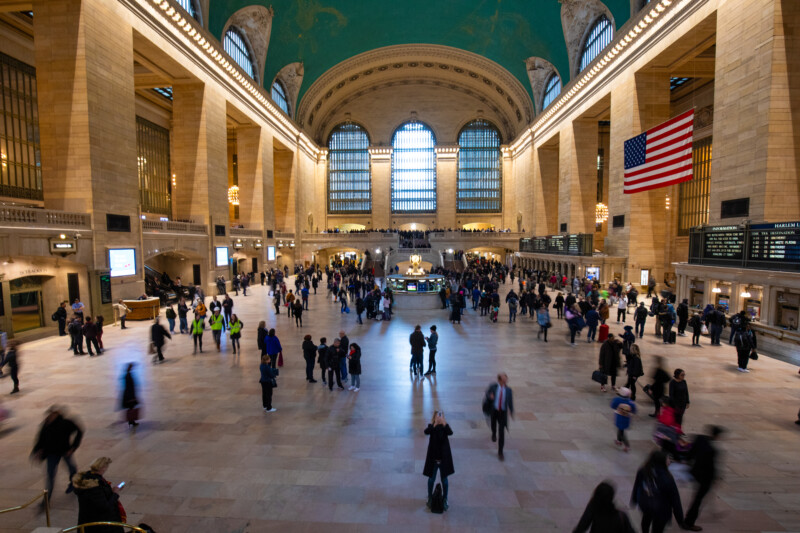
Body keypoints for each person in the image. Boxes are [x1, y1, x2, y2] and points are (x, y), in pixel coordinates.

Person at [31, 406, 83, 502]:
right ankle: (46, 500)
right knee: (50, 476)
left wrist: (73, 447)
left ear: (57, 414)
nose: (50, 416)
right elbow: (41, 438)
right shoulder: (46, 423)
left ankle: (74, 484)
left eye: (52, 414)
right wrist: (36, 451)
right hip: (51, 454)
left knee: (72, 469)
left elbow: (79, 431)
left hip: (64, 451)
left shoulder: (65, 423)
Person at [630, 450, 686, 533]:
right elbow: (675, 500)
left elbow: (637, 485)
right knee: (657, 528)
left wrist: (634, 499)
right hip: (661, 510)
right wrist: (680, 520)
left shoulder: (643, 470)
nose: (669, 461)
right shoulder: (667, 478)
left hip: (646, 503)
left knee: (646, 519)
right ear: (662, 462)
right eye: (667, 459)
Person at [683, 426, 724, 531]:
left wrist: (687, 462)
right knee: (698, 500)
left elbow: (690, 454)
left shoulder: (700, 438)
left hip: (695, 473)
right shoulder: (712, 450)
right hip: (705, 478)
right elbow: (711, 467)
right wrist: (715, 479)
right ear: (717, 436)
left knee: (697, 498)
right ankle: (689, 522)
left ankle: (689, 519)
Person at [72, 457, 125, 533]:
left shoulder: (87, 478)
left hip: (88, 523)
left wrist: (111, 491)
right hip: (100, 526)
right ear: (102, 468)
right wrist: (115, 494)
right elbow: (105, 507)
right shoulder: (94, 487)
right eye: (106, 467)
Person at [423, 410, 454, 511]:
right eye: (438, 416)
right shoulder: (432, 427)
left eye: (441, 416)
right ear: (434, 417)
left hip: (443, 459)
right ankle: (430, 498)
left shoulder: (445, 427)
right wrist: (435, 424)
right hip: (434, 459)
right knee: (431, 479)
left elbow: (450, 432)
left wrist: (444, 424)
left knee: (444, 480)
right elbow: (426, 432)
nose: (439, 418)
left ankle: (445, 499)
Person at [484, 373, 514, 460]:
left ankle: (500, 452)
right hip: (494, 411)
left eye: (506, 380)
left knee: (502, 433)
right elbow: (487, 394)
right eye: (503, 380)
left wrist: (511, 411)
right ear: (499, 380)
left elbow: (510, 401)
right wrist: (490, 397)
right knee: (493, 425)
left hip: (503, 413)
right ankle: (493, 433)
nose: (505, 382)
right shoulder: (493, 387)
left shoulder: (509, 390)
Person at [610, 387, 637, 452]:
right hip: (627, 418)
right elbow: (634, 410)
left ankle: (626, 445)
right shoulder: (630, 402)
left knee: (621, 431)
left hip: (619, 417)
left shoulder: (617, 400)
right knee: (620, 429)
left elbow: (612, 406)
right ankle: (619, 440)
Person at [121, 363, 139, 428]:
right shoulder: (128, 376)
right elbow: (129, 386)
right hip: (129, 395)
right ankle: (131, 421)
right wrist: (132, 397)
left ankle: (131, 421)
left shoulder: (127, 375)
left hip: (128, 394)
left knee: (131, 408)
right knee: (131, 408)